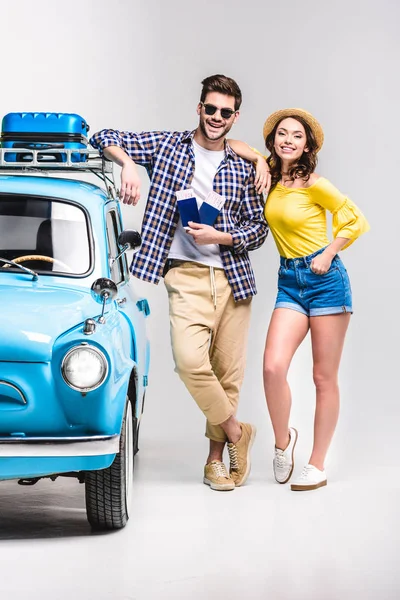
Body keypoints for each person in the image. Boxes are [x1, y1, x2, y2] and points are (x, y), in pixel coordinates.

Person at [90, 74, 269, 491]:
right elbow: (105, 136)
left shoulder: (244, 165)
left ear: (235, 116)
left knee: (227, 374)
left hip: (233, 279)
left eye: (226, 112)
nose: (217, 117)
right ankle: (240, 434)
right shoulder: (169, 146)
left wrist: (221, 236)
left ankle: (214, 462)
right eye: (211, 108)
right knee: (191, 363)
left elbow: (258, 230)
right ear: (199, 108)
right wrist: (130, 165)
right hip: (184, 276)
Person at [229, 108, 370, 491]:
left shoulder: (314, 183)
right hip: (290, 281)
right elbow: (234, 144)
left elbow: (355, 218)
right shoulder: (272, 177)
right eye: (281, 134)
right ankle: (283, 442)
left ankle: (317, 463)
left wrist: (328, 253)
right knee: (273, 367)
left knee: (323, 377)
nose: (288, 139)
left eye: (296, 135)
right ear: (273, 140)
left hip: (326, 281)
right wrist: (259, 158)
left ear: (307, 145)